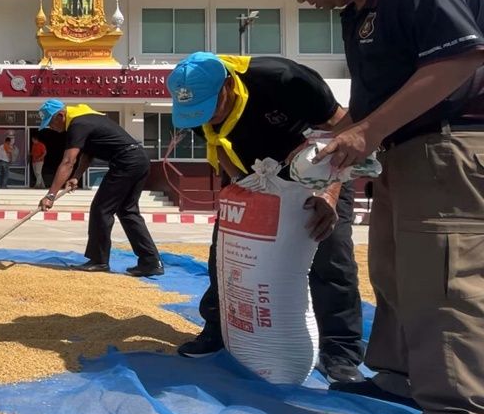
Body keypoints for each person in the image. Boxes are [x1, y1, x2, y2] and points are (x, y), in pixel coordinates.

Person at [275, 0, 484, 414]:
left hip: (448, 146)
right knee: (394, 269)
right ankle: (400, 376)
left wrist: (367, 132)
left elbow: (458, 60)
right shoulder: (357, 12)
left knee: (444, 279)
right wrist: (343, 154)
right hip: (401, 154)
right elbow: (370, 107)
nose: (303, 1)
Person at [166, 51, 365, 384]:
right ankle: (218, 329)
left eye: (212, 107)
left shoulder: (283, 80)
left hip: (318, 171)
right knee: (228, 253)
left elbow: (345, 132)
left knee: (330, 254)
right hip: (254, 177)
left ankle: (340, 352)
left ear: (228, 85)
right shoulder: (195, 110)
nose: (207, 117)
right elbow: (220, 147)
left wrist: (328, 193)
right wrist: (244, 196)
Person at [36, 99, 163, 276]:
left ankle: (99, 261)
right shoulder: (87, 118)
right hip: (139, 159)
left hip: (126, 162)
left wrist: (50, 195)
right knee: (127, 211)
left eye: (50, 122)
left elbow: (68, 161)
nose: (51, 127)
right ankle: (150, 262)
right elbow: (88, 154)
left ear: (60, 115)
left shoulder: (77, 124)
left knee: (101, 209)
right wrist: (76, 177)